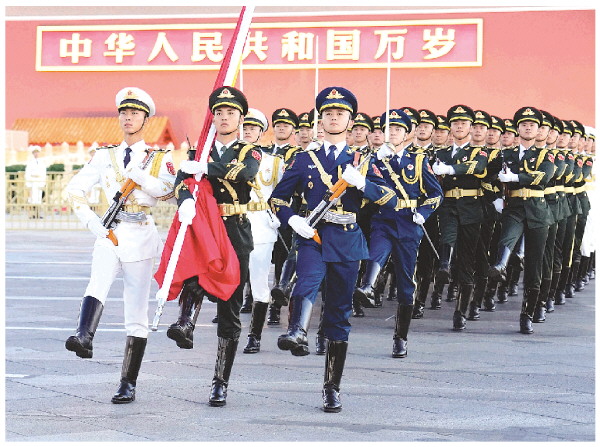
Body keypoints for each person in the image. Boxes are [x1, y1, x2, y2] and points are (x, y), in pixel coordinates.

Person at [269, 86, 396, 412]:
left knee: (339, 313)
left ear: (351, 121)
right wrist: (292, 219)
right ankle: (297, 331)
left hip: (348, 240)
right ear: (320, 120)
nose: (334, 118)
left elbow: (390, 199)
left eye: (340, 114)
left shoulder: (363, 162)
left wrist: (362, 183)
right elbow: (278, 199)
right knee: (306, 282)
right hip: (313, 236)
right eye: (328, 113)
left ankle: (332, 387)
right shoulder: (304, 159)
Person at [64, 87, 176, 403]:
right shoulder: (104, 155)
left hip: (141, 234)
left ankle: (128, 382)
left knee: (136, 310)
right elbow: (74, 190)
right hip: (110, 232)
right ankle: (84, 336)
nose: (128, 118)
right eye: (124, 113)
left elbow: (170, 194)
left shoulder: (160, 158)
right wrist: (92, 223)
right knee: (96, 282)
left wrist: (142, 178)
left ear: (145, 119)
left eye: (135, 113)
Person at [173, 86, 261, 406]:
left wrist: (207, 168)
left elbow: (244, 173)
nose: (224, 117)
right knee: (193, 276)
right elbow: (181, 181)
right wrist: (184, 200)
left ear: (240, 118)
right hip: (205, 229)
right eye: (219, 112)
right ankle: (186, 323)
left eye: (231, 113)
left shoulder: (249, 151)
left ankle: (220, 381)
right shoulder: (199, 151)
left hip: (235, 230)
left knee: (230, 306)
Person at [354, 109, 442, 355]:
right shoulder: (373, 159)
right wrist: (374, 160)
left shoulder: (418, 160)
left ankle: (401, 337)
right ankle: (368, 286)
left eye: (397, 129)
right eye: (388, 129)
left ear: (407, 133)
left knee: (405, 280)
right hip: (383, 219)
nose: (392, 133)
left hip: (408, 222)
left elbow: (436, 194)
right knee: (375, 253)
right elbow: (364, 184)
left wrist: (423, 213)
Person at [488, 106, 556, 334]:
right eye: (524, 125)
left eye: (532, 125)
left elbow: (543, 176)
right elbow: (487, 176)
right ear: (518, 129)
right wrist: (496, 196)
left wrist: (515, 177)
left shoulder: (546, 154)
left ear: (538, 130)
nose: (528, 128)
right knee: (507, 236)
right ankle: (500, 265)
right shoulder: (505, 154)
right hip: (514, 206)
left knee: (534, 266)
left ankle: (527, 313)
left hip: (537, 210)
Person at [432, 105, 489, 331]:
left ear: (470, 127)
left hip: (470, 207)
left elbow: (477, 167)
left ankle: (461, 311)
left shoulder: (478, 152)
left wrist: (449, 170)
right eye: (455, 123)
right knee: (447, 235)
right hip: (448, 204)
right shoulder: (441, 153)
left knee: (467, 261)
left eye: (463, 123)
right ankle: (444, 265)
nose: (459, 127)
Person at [240, 108, 285, 354]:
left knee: (258, 281)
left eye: (253, 128)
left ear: (261, 132)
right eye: (244, 127)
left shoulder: (274, 162)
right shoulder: (229, 158)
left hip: (260, 224)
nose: (248, 131)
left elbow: (284, 193)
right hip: (234, 222)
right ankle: (230, 330)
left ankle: (254, 335)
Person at [25, 145, 47, 218]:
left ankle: (38, 214)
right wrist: (28, 184)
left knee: (38, 198)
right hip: (32, 181)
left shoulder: (42, 162)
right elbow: (27, 173)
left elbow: (44, 172)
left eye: (37, 152)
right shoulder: (30, 162)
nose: (36, 154)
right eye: (34, 152)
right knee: (31, 199)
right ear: (33, 153)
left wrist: (43, 182)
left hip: (39, 181)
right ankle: (31, 214)